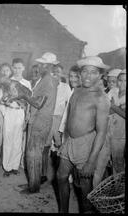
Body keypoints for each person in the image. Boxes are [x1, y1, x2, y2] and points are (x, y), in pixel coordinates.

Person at [57, 56, 110, 213]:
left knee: (85, 187)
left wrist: (91, 161)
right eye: (85, 71)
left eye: (93, 72)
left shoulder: (101, 99)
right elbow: (70, 120)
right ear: (80, 73)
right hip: (70, 141)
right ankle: (63, 210)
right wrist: (64, 140)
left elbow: (101, 132)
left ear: (100, 75)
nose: (88, 76)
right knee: (61, 177)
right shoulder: (77, 91)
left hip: (86, 144)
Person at [16, 52, 58, 194]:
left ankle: (33, 187)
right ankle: (33, 183)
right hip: (37, 119)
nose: (38, 66)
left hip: (41, 121)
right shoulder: (43, 79)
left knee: (33, 154)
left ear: (47, 66)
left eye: (41, 64)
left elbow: (39, 103)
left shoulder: (48, 81)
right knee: (33, 154)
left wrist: (23, 95)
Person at [0, 60, 31, 177]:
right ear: (12, 68)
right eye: (15, 68)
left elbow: (28, 102)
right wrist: (5, 112)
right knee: (8, 140)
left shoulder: (26, 83)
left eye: (19, 68)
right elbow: (0, 101)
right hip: (10, 112)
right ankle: (6, 167)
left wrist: (26, 115)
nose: (17, 70)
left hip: (20, 113)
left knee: (18, 140)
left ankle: (15, 166)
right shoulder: (8, 81)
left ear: (23, 68)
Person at [43, 63, 72, 184]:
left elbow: (69, 105)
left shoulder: (65, 87)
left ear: (62, 74)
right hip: (48, 118)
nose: (56, 74)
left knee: (59, 146)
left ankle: (59, 176)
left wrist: (65, 124)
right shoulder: (48, 85)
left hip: (59, 119)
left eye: (58, 71)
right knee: (45, 147)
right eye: (53, 71)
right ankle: (43, 174)